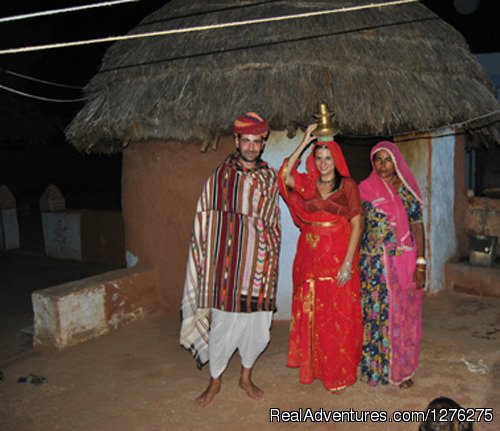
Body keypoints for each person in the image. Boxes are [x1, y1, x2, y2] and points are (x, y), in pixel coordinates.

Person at [180, 112, 281, 407]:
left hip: (261, 266)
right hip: (229, 268)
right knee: (224, 326)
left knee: (258, 327)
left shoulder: (270, 177)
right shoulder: (220, 177)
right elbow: (205, 219)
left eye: (257, 141)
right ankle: (215, 382)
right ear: (236, 140)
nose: (251, 147)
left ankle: (246, 377)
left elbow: (272, 220)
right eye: (246, 141)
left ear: (263, 143)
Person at [278, 123, 363, 393]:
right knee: (314, 314)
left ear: (336, 159)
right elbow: (284, 174)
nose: (324, 163)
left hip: (338, 259)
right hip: (309, 259)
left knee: (338, 316)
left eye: (328, 158)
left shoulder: (347, 186)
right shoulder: (307, 184)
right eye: (319, 157)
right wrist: (304, 142)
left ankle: (339, 372)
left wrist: (348, 263)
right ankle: (314, 368)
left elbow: (357, 224)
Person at [358, 141, 426, 388]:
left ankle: (401, 371)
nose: (382, 165)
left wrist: (421, 264)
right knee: (374, 315)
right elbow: (359, 225)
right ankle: (375, 369)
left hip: (402, 262)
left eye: (387, 159)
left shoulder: (407, 190)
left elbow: (418, 226)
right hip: (373, 264)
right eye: (378, 159)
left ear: (396, 162)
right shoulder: (365, 189)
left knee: (403, 315)